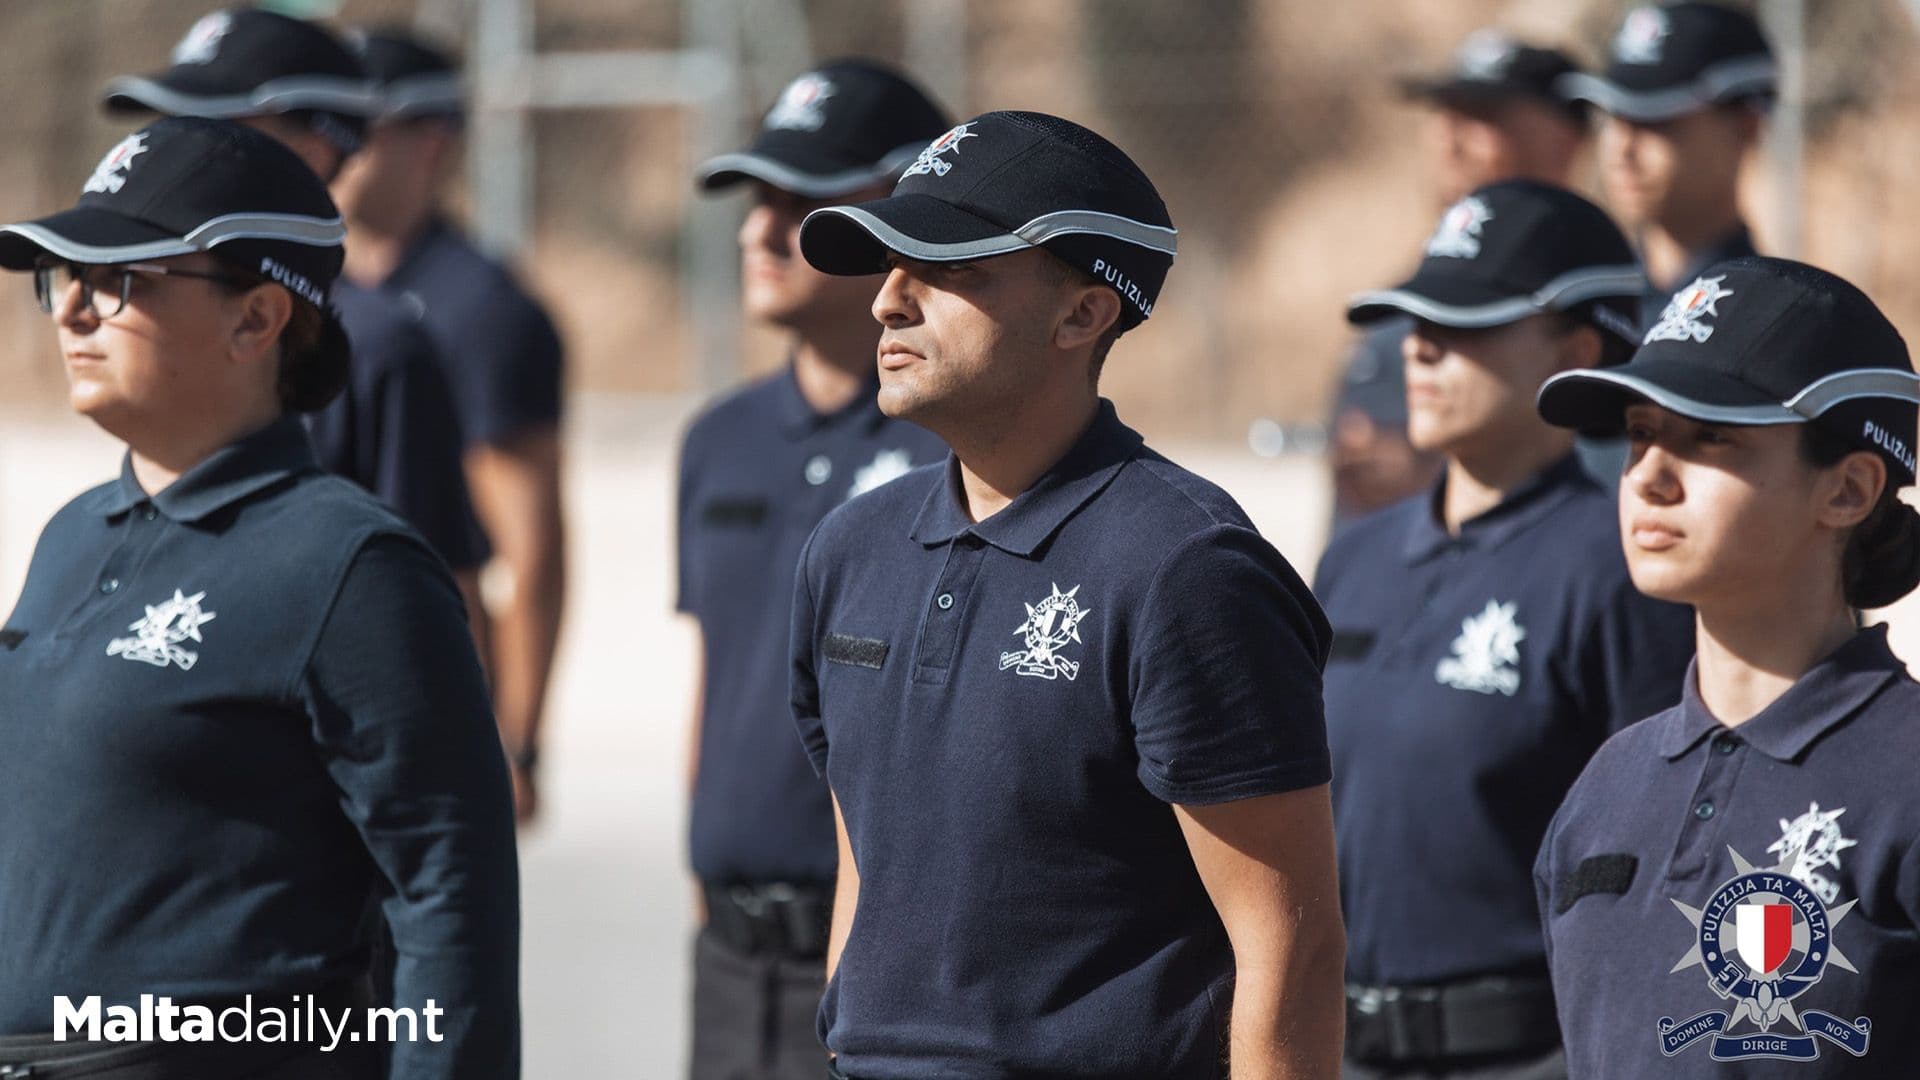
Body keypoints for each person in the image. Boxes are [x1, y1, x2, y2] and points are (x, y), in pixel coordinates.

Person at [792, 110, 1346, 1079]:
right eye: (888, 262)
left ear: (1084, 314)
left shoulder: (1187, 567)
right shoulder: (851, 549)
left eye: (951, 269)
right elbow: (866, 856)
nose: (888, 301)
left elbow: (1289, 945)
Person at [0, 117, 518, 1079]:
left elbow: (452, 901)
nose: (71, 308)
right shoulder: (69, 536)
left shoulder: (348, 564)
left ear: (258, 318)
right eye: (61, 277)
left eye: (121, 280)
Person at [1322, 180, 1696, 1079]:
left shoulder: (1619, 566)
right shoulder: (1355, 559)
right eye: (1416, 321)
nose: (1420, 348)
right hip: (1342, 1050)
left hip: (1530, 1054)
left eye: (1467, 323)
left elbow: (1670, 848)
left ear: (1575, 350)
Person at [1534, 255, 1920, 1077]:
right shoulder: (1607, 783)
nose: (1649, 477)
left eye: (1711, 435)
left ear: (1848, 490)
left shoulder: (1908, 777)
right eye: (1640, 433)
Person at [673, 60, 949, 1080]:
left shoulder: (955, 447)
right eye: (757, 200)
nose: (758, 229)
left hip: (888, 961)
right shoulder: (718, 439)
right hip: (732, 956)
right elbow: (718, 672)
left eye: (799, 201)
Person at [101, 7, 492, 630]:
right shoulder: (165, 323)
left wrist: (511, 729)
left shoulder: (377, 344)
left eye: (212, 127)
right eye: (171, 121)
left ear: (315, 147)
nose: (170, 150)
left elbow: (442, 600)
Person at [1332, 31, 1591, 526]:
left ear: (1565, 140)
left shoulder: (1602, 302)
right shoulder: (1390, 309)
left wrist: (1434, 482)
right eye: (1444, 113)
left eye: (1484, 117)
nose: (1450, 139)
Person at [1559, 2, 1774, 329]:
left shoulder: (1769, 321)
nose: (1622, 148)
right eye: (1611, 117)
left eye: (1655, 118)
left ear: (1747, 127)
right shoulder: (1578, 302)